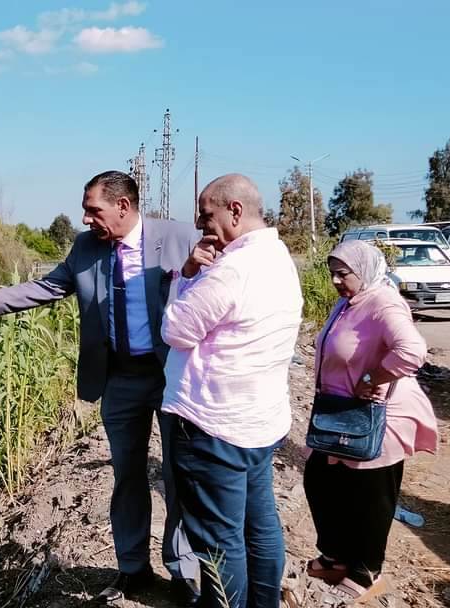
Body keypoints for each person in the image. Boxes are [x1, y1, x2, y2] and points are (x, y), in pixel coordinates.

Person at [0, 171, 201, 605]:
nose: (85, 219)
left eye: (93, 210)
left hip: (173, 375)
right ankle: (133, 569)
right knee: (127, 476)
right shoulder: (87, 248)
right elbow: (47, 287)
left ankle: (184, 572)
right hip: (119, 377)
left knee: (179, 475)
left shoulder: (179, 238)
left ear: (123, 206)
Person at [159, 174, 302, 608]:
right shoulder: (277, 256)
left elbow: (176, 329)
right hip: (256, 425)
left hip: (213, 428)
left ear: (234, 211)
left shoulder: (231, 270)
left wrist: (186, 276)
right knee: (259, 527)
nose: (201, 226)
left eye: (206, 215)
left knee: (219, 541)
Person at [303, 240, 438, 600]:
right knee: (321, 481)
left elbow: (413, 350)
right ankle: (336, 557)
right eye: (332, 273)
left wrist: (374, 377)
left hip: (380, 417)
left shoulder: (383, 303)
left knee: (370, 497)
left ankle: (366, 571)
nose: (335, 280)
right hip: (343, 414)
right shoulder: (349, 302)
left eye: (343, 273)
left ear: (364, 271)